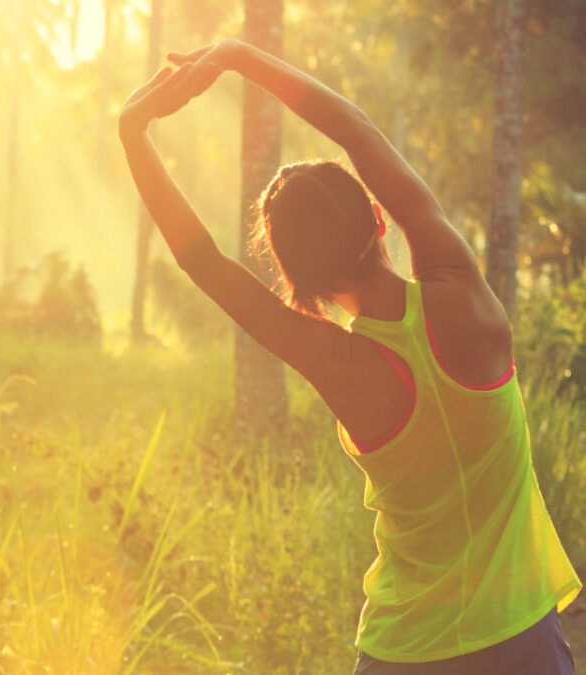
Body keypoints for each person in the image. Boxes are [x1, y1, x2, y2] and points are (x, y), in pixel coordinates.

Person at [118, 37, 581, 674]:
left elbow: (202, 261)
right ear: (380, 218)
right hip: (521, 641)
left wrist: (132, 132)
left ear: (303, 288)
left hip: (406, 654)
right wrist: (237, 56)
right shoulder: (462, 297)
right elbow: (356, 130)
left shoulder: (338, 366)